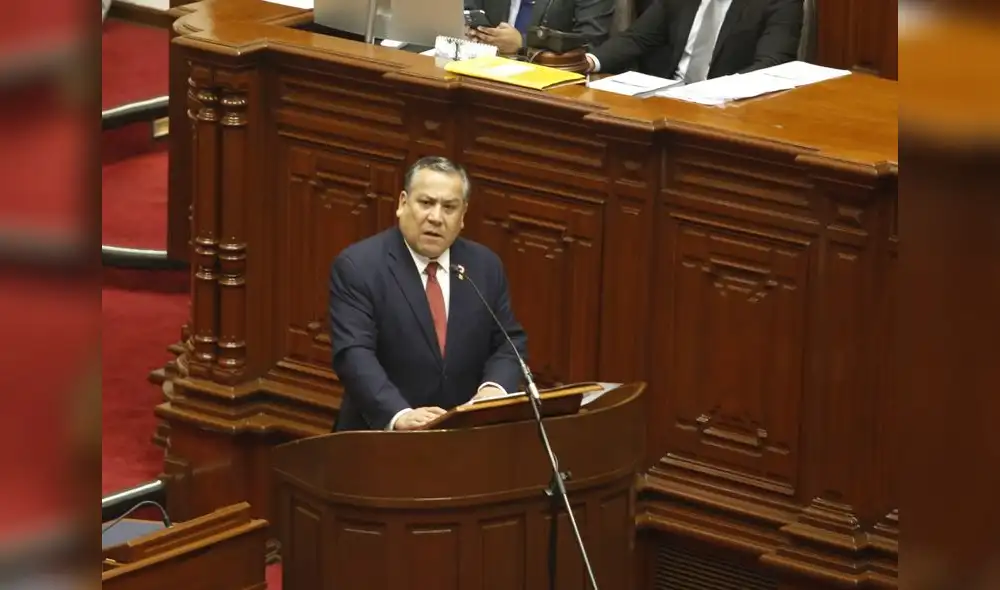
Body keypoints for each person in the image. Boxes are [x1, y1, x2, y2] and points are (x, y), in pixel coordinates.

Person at [329, 156, 528, 432]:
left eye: (449, 207)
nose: (436, 217)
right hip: (379, 442)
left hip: (463, 442)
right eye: (426, 203)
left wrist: (493, 390)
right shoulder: (359, 267)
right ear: (402, 204)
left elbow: (508, 342)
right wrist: (399, 414)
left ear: (462, 216)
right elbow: (353, 354)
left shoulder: (484, 266)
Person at [585, 0, 803, 82]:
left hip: (728, 110)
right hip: (665, 101)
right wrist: (588, 61)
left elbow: (772, 62)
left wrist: (714, 92)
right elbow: (637, 38)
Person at [465, 0, 615, 55]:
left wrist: (523, 46)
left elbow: (589, 44)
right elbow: (467, 7)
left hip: (550, 88)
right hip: (484, 71)